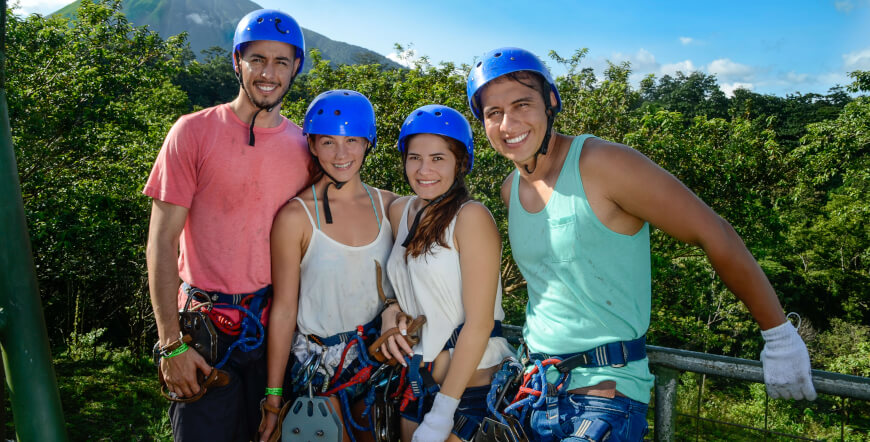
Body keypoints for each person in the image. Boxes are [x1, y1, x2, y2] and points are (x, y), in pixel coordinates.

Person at [465, 47, 817, 441]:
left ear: (550, 102)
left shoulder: (603, 164)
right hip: (532, 391)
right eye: (493, 113)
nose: (508, 122)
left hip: (603, 397)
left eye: (522, 104)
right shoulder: (510, 189)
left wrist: (777, 334)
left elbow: (713, 231)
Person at [143, 9, 310, 441]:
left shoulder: (304, 148)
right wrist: (171, 343)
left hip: (274, 333)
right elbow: (161, 243)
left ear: (296, 69)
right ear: (237, 62)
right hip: (204, 332)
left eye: (281, 61)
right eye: (257, 59)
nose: (268, 73)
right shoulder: (192, 133)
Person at [259, 89, 398, 442]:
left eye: (352, 140)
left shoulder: (392, 207)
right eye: (328, 142)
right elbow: (284, 310)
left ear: (368, 143)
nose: (341, 154)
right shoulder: (295, 216)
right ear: (312, 144)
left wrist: (396, 308)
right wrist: (274, 398)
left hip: (378, 362)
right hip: (317, 371)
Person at [378, 105, 515, 442]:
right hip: (417, 384)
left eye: (438, 158)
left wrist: (442, 412)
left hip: (469, 392)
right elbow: (401, 285)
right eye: (414, 158)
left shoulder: (472, 217)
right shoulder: (401, 211)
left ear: (461, 163)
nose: (424, 169)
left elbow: (480, 322)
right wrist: (389, 312)